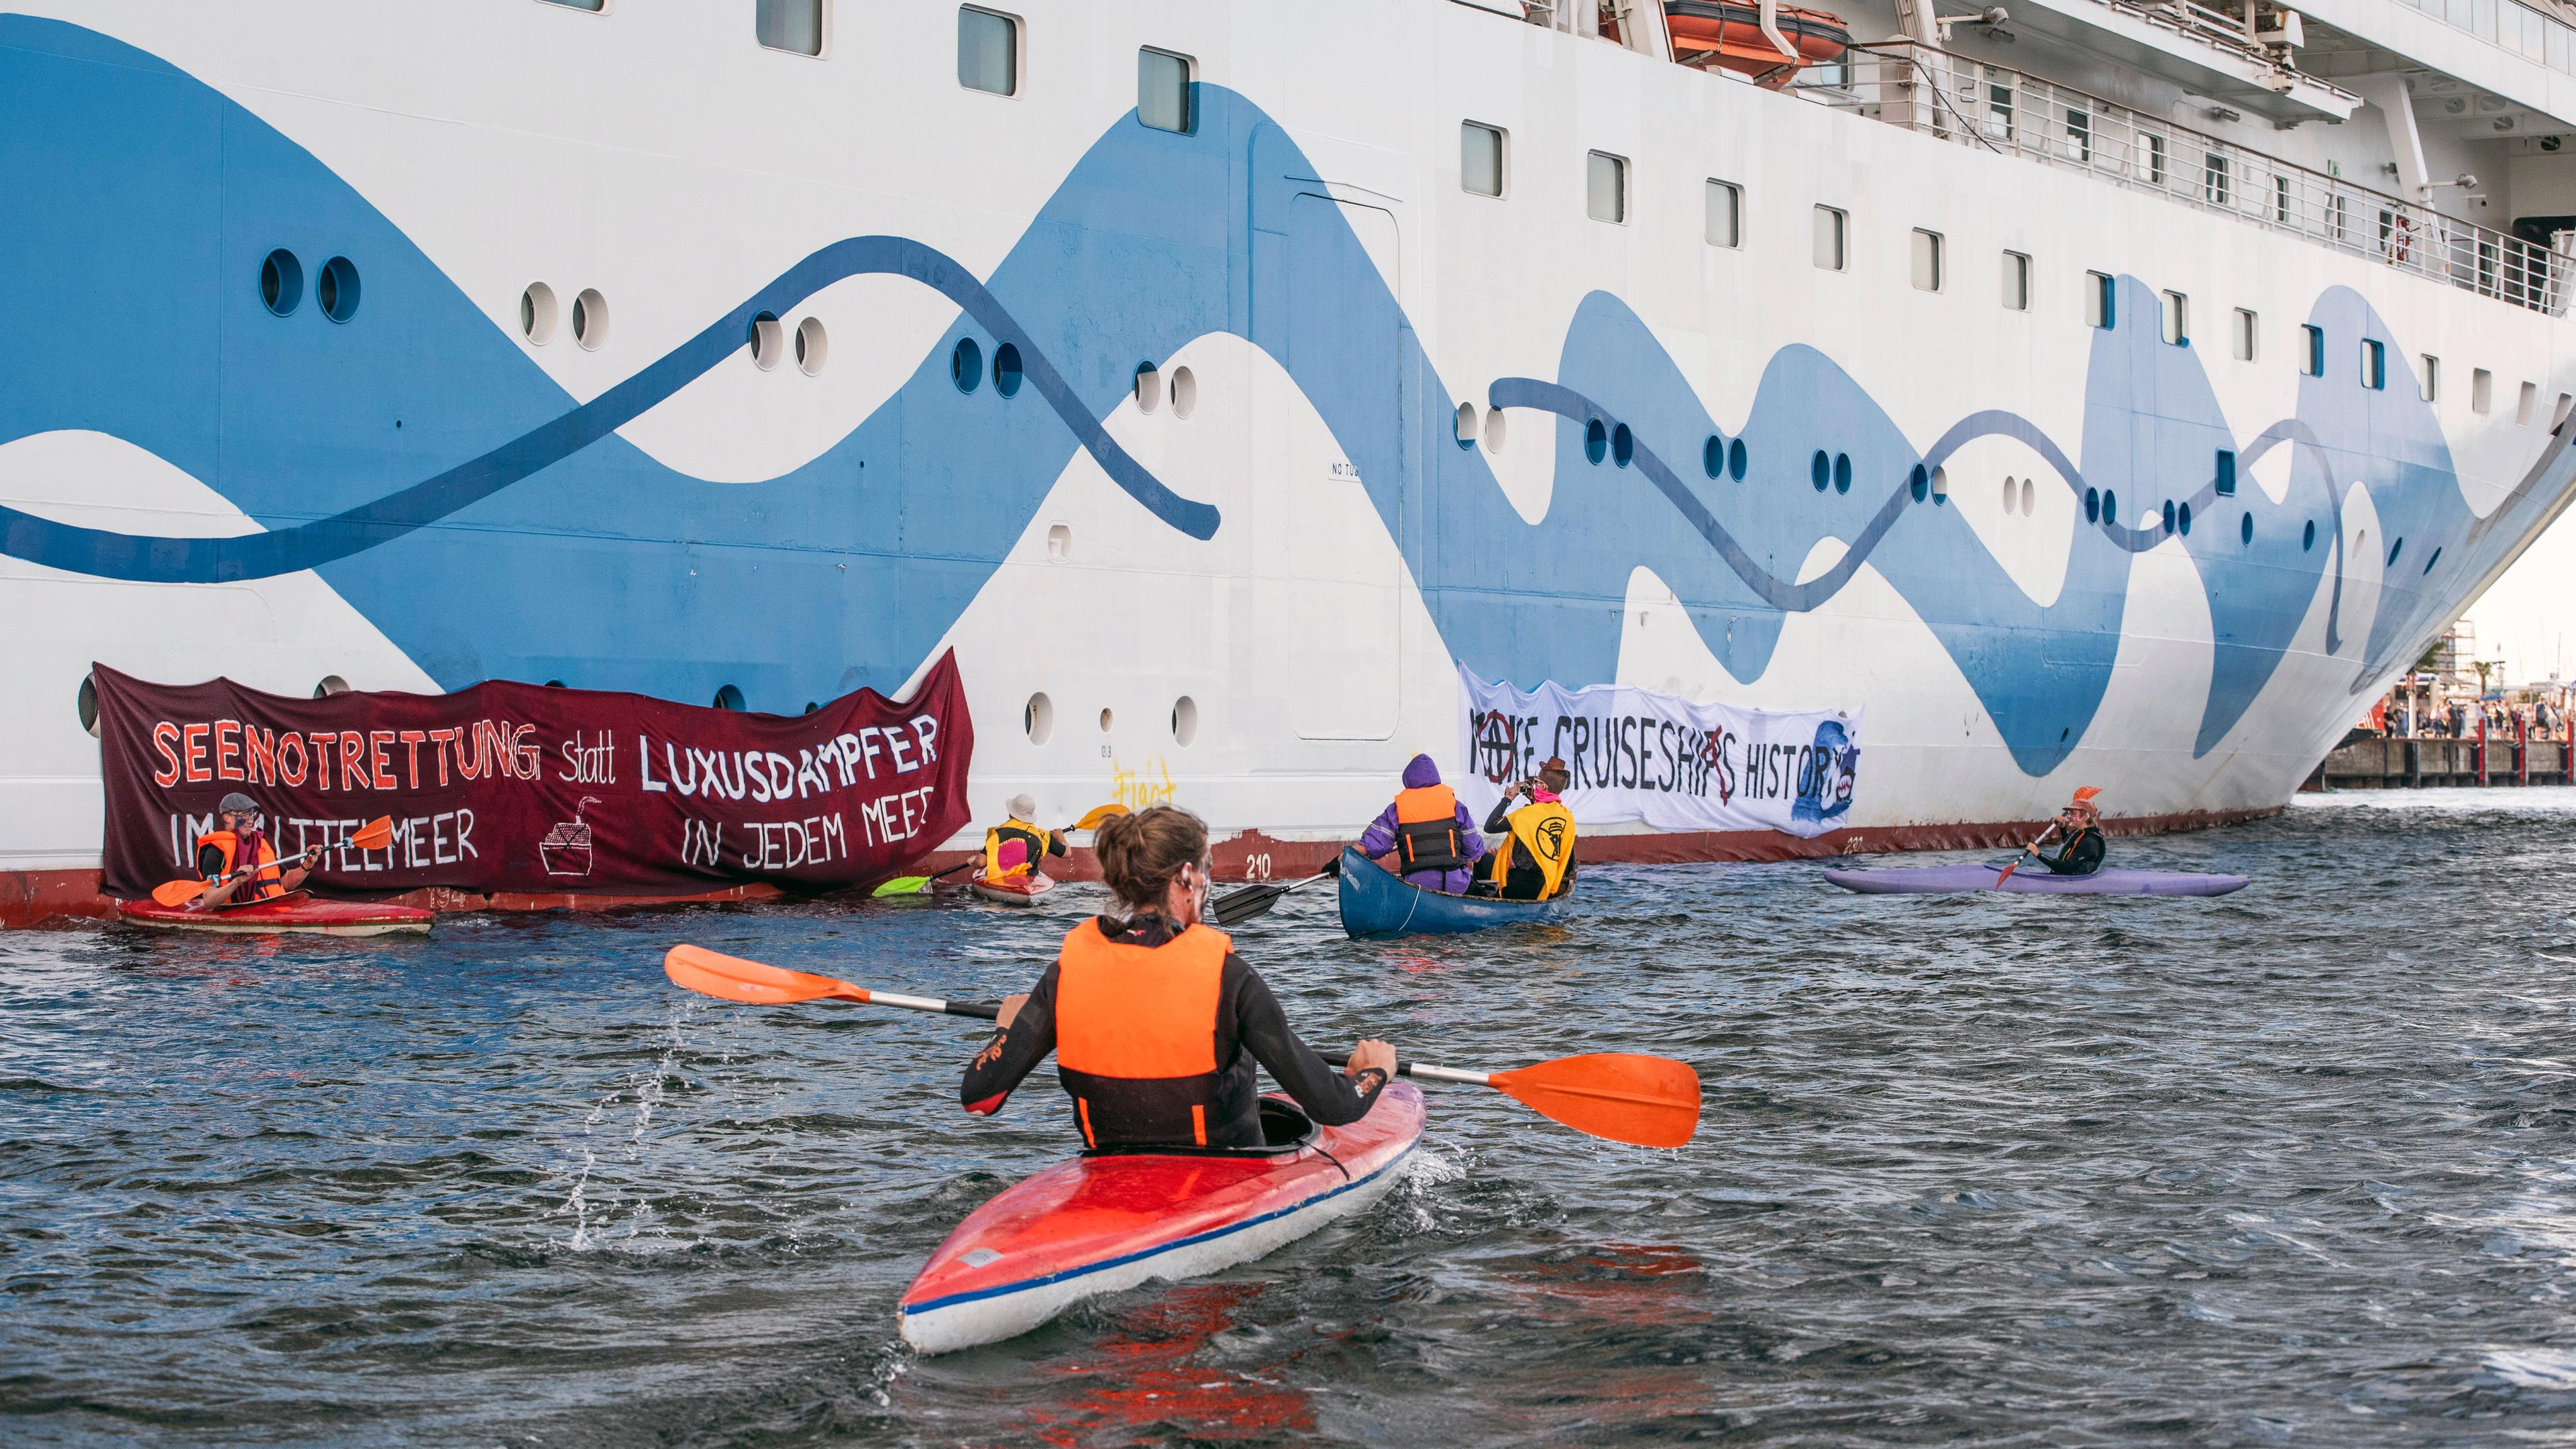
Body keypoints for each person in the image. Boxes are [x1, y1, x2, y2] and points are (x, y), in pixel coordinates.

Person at [960, 806, 1396, 1150]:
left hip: (1114, 1172)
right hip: (1221, 1177)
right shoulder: (1230, 977)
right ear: (1186, 877)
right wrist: (1373, 1072)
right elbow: (1335, 1107)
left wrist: (1007, 1031)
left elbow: (980, 1097)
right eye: (1205, 869)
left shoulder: (1066, 973)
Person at [1358, 754, 1483, 894]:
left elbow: (1370, 845)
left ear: (1408, 780)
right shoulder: (1456, 806)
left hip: (1417, 884)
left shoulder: (1397, 809)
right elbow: (1475, 855)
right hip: (1455, 883)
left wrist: (1342, 859)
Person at [1470, 757, 1576, 901]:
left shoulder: (1524, 815)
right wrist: (1534, 801)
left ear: (1543, 786)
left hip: (1517, 887)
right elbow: (1567, 857)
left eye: (1537, 782)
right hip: (1545, 886)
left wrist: (1507, 799)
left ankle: (1487, 899)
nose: (1534, 785)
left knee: (1480, 858)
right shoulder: (1567, 817)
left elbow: (1491, 826)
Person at [192, 792, 319, 910]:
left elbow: (287, 881)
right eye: (244, 815)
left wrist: (307, 865)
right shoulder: (215, 851)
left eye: (251, 815)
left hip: (275, 912)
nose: (250, 821)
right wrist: (237, 882)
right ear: (227, 818)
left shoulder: (260, 844)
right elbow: (209, 901)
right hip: (240, 920)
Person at [981, 794, 1067, 887]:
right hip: (1029, 880)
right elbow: (1067, 854)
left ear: (1011, 813)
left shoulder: (998, 834)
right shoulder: (1043, 836)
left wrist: (973, 861)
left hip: (1000, 879)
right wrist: (1060, 837)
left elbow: (981, 862)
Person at [2029, 786, 2107, 877]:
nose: (2069, 817)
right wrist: (2062, 828)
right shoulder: (2080, 833)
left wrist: (2038, 855)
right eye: (2069, 813)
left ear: (2085, 817)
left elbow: (2068, 868)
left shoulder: (2090, 842)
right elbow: (2070, 846)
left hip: (2076, 884)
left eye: (2073, 813)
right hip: (2067, 878)